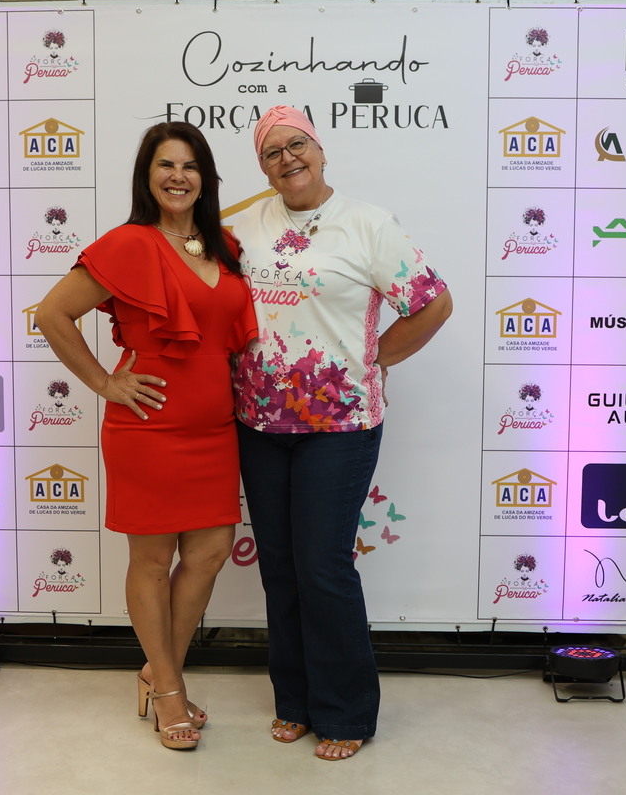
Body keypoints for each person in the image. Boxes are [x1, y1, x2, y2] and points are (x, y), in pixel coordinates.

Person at [231, 106, 452, 760]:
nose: (287, 159)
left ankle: (345, 711)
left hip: (340, 424)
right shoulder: (245, 226)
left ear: (321, 150)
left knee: (322, 566)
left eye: (297, 144)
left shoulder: (368, 224)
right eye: (272, 152)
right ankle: (295, 701)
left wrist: (374, 359)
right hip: (258, 423)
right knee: (280, 567)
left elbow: (433, 303)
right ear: (263, 168)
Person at [37, 122, 257, 751]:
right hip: (149, 427)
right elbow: (52, 313)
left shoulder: (226, 248)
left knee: (210, 553)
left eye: (190, 166)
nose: (178, 176)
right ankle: (169, 691)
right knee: (153, 563)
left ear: (206, 179)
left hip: (216, 429)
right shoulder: (130, 244)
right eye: (166, 165)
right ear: (147, 176)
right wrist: (105, 382)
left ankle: (157, 673)